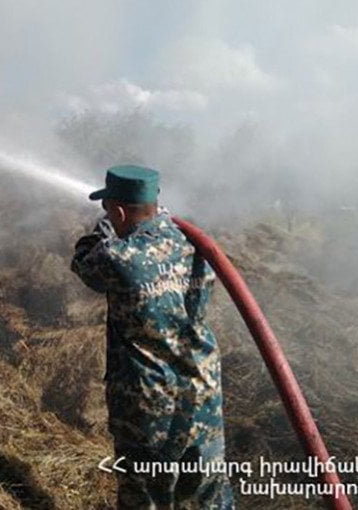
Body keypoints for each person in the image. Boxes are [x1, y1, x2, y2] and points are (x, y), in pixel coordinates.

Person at [70, 165, 234, 509]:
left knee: (145, 496)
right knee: (209, 493)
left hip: (148, 405)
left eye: (108, 210)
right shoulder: (194, 244)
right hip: (202, 392)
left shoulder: (117, 256)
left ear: (118, 212)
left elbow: (83, 261)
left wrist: (101, 232)